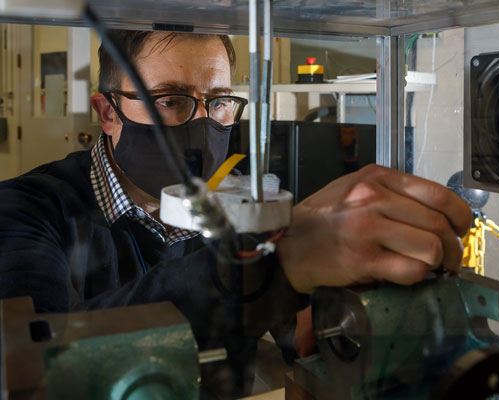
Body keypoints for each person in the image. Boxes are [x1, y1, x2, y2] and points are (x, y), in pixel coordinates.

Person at [0, 30, 471, 396]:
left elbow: (294, 329)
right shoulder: (26, 210)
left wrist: (327, 314)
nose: (203, 124)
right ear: (108, 113)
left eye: (219, 102)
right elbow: (31, 364)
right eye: (169, 100)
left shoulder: (242, 201)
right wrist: (278, 264)